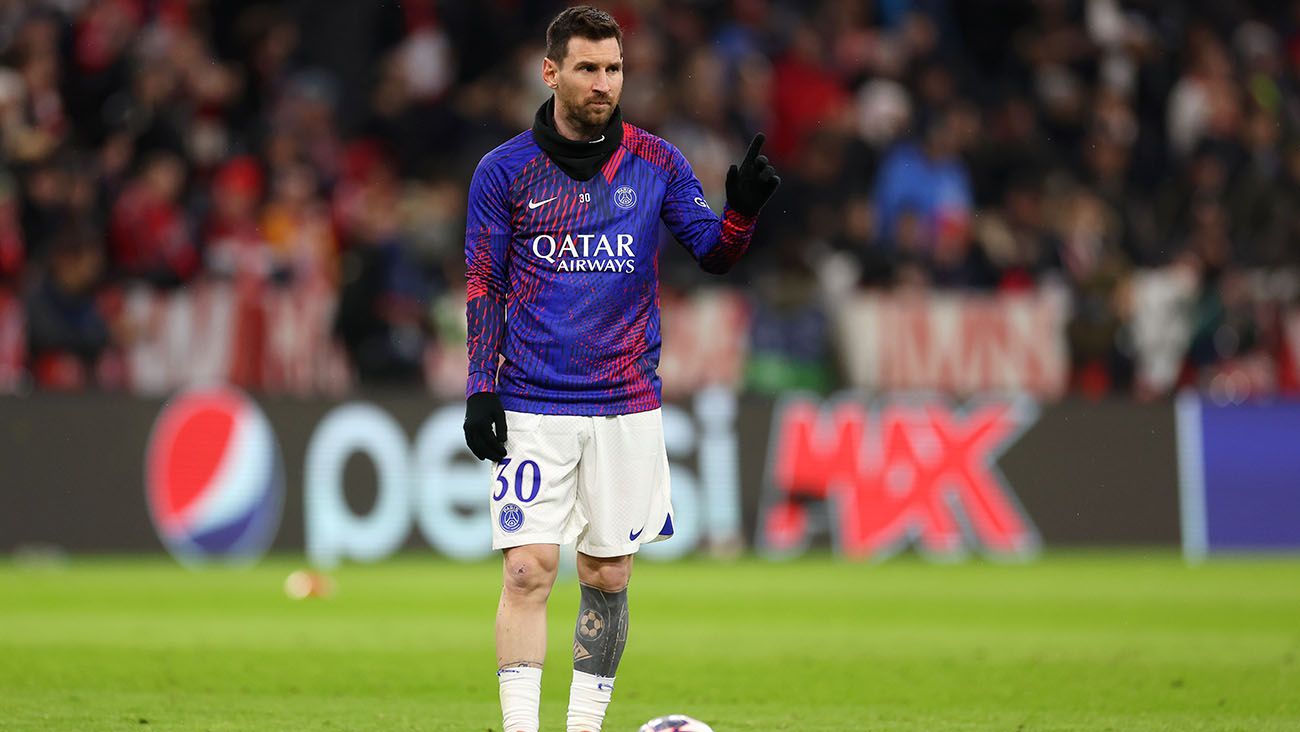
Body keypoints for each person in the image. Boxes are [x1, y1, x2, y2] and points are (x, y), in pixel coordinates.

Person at [460, 7, 779, 732]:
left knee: (607, 576)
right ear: (552, 73)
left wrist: (744, 214)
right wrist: (482, 388)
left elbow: (714, 253)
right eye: (588, 68)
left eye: (614, 69)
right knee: (526, 569)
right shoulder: (503, 171)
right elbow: (484, 283)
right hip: (534, 401)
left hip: (626, 403)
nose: (604, 83)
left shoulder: (657, 162)